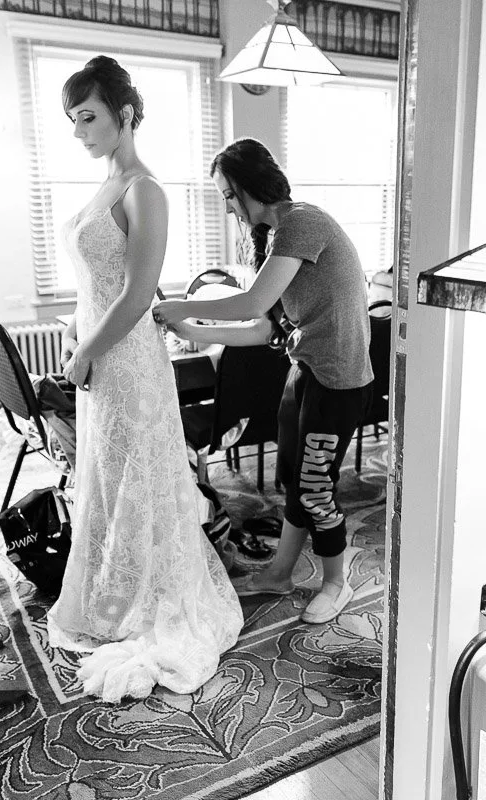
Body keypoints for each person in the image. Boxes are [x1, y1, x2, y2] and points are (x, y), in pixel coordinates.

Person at [47, 56, 242, 702]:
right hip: (102, 354)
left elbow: (136, 295)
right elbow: (96, 285)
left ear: (125, 114)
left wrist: (87, 350)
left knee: (135, 472)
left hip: (128, 360)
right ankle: (112, 589)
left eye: (89, 117)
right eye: (74, 120)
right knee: (107, 473)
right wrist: (77, 335)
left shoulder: (144, 190)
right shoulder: (107, 185)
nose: (79, 131)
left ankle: (146, 594)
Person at [153, 138, 373, 625]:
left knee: (314, 487)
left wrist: (182, 307)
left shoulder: (302, 222)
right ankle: (279, 574)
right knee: (294, 480)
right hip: (307, 370)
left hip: (338, 381)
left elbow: (252, 303)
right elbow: (263, 328)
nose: (228, 207)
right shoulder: (276, 238)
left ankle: (337, 583)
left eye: (229, 195)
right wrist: (192, 331)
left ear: (249, 185)